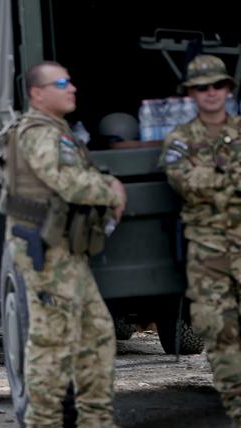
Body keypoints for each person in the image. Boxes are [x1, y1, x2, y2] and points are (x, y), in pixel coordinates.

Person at [0, 61, 126, 427]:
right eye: (62, 82)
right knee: (52, 340)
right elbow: (67, 182)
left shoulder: (57, 130)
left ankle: (97, 420)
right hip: (46, 249)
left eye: (70, 81)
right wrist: (110, 189)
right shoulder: (38, 132)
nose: (72, 88)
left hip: (66, 249)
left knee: (97, 332)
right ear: (38, 93)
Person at [161, 54, 241, 424]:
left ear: (227, 89)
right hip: (208, 254)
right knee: (220, 338)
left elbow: (202, 180)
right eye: (201, 87)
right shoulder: (179, 139)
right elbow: (185, 182)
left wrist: (212, 174)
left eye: (217, 85)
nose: (211, 93)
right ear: (191, 93)